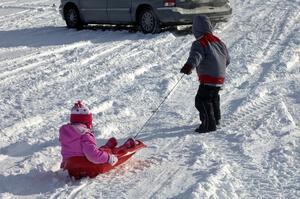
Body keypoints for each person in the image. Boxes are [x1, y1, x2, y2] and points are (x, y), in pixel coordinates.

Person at [180, 15, 230, 133]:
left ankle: (209, 124)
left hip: (208, 77)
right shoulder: (219, 42)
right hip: (220, 77)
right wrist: (219, 69)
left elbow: (196, 56)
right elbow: (227, 59)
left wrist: (189, 66)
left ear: (196, 29)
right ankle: (216, 119)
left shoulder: (199, 43)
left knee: (201, 100)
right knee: (213, 98)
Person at [59, 101, 136, 168]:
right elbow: (93, 155)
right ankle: (120, 149)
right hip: (85, 167)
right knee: (102, 154)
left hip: (69, 166)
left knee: (96, 151)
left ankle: (106, 148)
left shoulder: (65, 131)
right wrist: (108, 158)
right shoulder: (85, 134)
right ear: (86, 120)